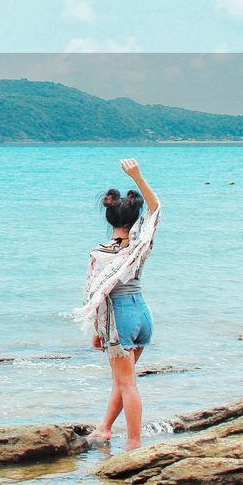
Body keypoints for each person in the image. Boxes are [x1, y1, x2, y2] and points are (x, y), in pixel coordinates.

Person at [73, 157, 160, 450]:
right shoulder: (140, 246)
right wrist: (138, 177)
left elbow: (96, 296)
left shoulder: (100, 253)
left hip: (118, 319)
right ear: (135, 220)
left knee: (127, 383)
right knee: (124, 380)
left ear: (109, 219)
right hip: (141, 314)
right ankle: (105, 428)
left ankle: (134, 444)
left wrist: (98, 331)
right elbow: (156, 208)